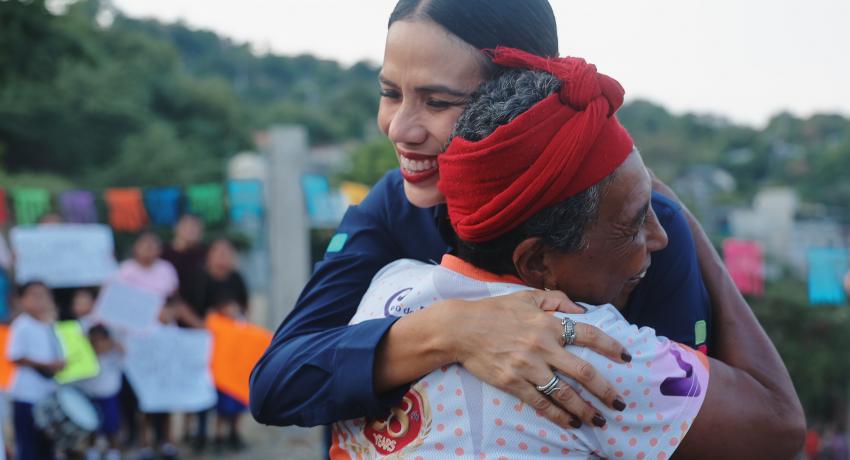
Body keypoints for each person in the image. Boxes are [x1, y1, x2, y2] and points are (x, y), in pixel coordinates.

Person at [250, 0, 711, 430]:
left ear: (520, 99)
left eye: (437, 102)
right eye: (390, 93)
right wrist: (449, 328)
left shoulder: (634, 228)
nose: (399, 128)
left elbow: (701, 418)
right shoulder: (393, 205)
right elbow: (277, 381)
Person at [332, 51, 804, 458]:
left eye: (655, 210)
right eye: (635, 222)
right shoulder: (590, 353)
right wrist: (690, 224)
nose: (660, 237)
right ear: (537, 263)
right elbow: (780, 423)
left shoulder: (387, 287)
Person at [7, 281, 65, 460]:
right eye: (34, 295)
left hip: (48, 394)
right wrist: (47, 365)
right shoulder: (22, 324)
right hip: (26, 395)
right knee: (28, 445)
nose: (40, 300)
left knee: (47, 445)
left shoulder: (51, 326)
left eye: (44, 295)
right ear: (22, 300)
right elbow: (15, 356)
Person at [208, 296, 249, 453]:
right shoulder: (215, 323)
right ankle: (218, 436)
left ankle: (234, 434)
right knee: (221, 409)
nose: (232, 310)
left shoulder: (241, 324)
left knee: (238, 408)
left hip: (238, 374)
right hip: (222, 376)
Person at [77, 324, 124, 460]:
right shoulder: (85, 357)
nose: (98, 344)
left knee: (111, 426)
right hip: (89, 396)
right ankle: (92, 450)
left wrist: (114, 344)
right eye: (94, 341)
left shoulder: (114, 357)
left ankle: (113, 451)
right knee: (91, 425)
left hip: (108, 397)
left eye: (102, 340)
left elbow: (124, 353)